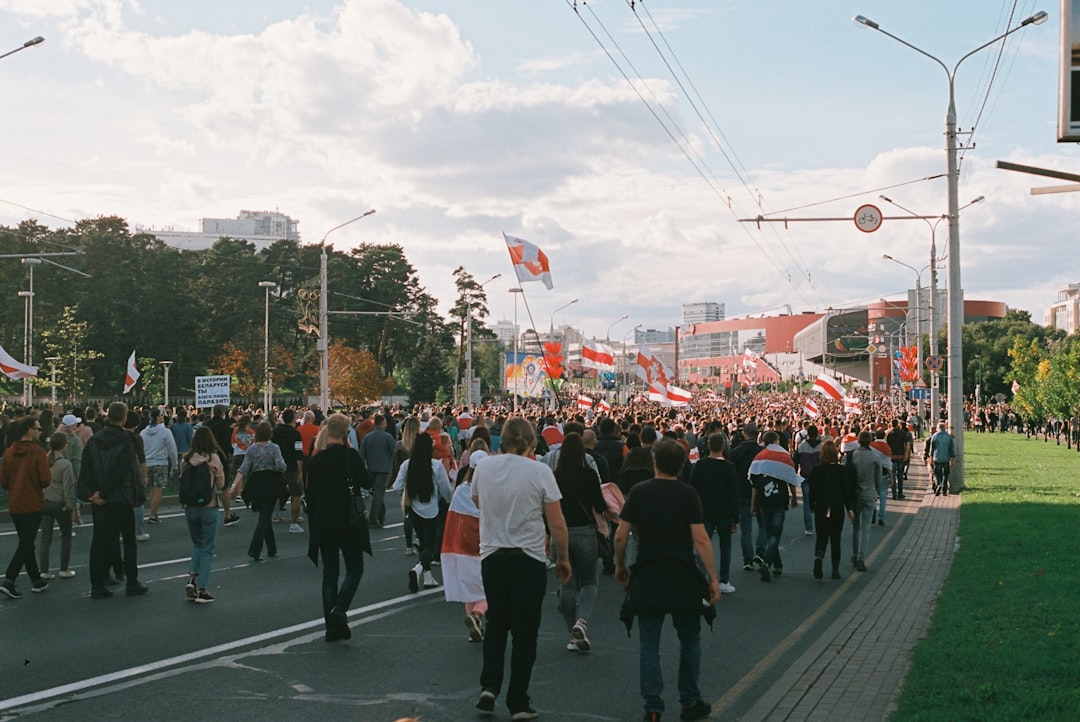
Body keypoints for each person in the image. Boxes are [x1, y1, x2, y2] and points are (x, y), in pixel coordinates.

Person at [472, 417, 571, 721]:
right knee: (525, 632)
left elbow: (477, 499)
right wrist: (563, 557)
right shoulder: (539, 471)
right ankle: (518, 699)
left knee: (497, 623)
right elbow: (556, 522)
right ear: (530, 442)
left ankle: (489, 685)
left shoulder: (484, 467)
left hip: (492, 555)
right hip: (527, 556)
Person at [614, 438, 720, 722]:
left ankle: (652, 706)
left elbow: (621, 534)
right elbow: (700, 539)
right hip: (682, 573)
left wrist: (620, 564)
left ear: (654, 463)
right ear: (682, 465)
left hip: (648, 572)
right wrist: (713, 577)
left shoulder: (638, 491)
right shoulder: (688, 494)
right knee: (689, 638)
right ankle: (689, 700)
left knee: (649, 643)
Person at [305, 413, 373, 642]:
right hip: (348, 520)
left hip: (323, 522)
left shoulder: (315, 461)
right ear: (345, 433)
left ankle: (330, 627)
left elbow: (310, 497)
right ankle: (340, 609)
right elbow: (366, 481)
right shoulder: (349, 456)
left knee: (329, 573)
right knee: (355, 567)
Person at [79, 402, 149, 599]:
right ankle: (132, 581)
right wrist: (107, 492)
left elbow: (87, 468)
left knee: (100, 540)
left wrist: (94, 493)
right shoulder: (125, 441)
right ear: (124, 418)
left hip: (99, 497)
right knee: (128, 540)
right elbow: (122, 471)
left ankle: (97, 584)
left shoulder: (94, 440)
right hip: (121, 496)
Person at [553, 432, 607, 653]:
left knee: (567, 583)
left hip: (561, 532)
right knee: (589, 581)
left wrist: (548, 535)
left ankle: (572, 635)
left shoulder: (555, 477)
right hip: (585, 531)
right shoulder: (589, 475)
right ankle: (581, 622)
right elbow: (599, 504)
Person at [392, 433, 453, 592]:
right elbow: (445, 489)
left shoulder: (407, 465)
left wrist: (407, 492)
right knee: (430, 547)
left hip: (413, 509)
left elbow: (397, 486)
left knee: (423, 542)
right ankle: (418, 569)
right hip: (431, 509)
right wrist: (448, 499)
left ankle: (427, 577)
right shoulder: (435, 466)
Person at [441, 443, 489, 643]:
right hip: (486, 544)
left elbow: (453, 518)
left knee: (470, 586)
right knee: (491, 588)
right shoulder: (490, 490)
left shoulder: (461, 489)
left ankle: (475, 627)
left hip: (463, 545)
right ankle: (477, 615)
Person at [0, 417, 52, 599]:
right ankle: (9, 579)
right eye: (38, 429)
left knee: (26, 542)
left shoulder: (8, 453)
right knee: (26, 543)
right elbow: (45, 479)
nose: (39, 432)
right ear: (30, 430)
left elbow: (4, 481)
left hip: (15, 503)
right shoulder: (38, 453)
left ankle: (36, 580)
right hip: (32, 502)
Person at [749, 431, 803, 581]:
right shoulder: (784, 456)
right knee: (775, 534)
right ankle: (767, 563)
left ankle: (777, 564)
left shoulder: (759, 457)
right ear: (776, 441)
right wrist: (793, 496)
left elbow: (754, 483)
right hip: (779, 500)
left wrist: (753, 504)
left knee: (769, 532)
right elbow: (790, 477)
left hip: (763, 501)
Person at [689, 432, 739, 594]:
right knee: (725, 546)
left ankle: (701, 578)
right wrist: (735, 517)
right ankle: (724, 580)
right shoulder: (729, 467)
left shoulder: (700, 465)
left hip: (704, 511)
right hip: (724, 511)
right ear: (723, 447)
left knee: (703, 545)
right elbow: (733, 494)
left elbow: (692, 489)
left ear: (708, 446)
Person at [181, 426, 226, 603]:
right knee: (208, 548)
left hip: (189, 507)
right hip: (209, 506)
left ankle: (192, 578)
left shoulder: (185, 459)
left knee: (197, 544)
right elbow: (221, 483)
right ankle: (203, 589)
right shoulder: (212, 458)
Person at [231, 421, 287, 562]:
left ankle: (272, 548)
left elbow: (243, 469)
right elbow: (281, 465)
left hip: (256, 483)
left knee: (264, 513)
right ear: (269, 433)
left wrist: (234, 485)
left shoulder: (251, 450)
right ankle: (255, 549)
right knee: (265, 515)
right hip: (271, 482)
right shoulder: (274, 448)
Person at [806, 439, 855, 580]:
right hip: (837, 507)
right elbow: (846, 491)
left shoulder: (816, 470)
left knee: (821, 535)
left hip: (821, 506)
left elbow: (812, 491)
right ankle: (835, 569)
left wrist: (811, 506)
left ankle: (819, 556)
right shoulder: (842, 470)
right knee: (835, 538)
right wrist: (849, 508)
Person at [39, 432, 78, 580]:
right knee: (66, 535)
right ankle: (64, 568)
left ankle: (44, 570)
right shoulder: (65, 464)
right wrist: (71, 506)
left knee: (45, 537)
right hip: (59, 503)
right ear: (64, 445)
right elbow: (68, 487)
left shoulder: (45, 460)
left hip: (46, 501)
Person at [727, 423, 763, 572]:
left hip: (741, 491)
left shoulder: (735, 452)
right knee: (763, 525)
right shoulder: (762, 452)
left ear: (744, 434)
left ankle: (747, 559)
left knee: (745, 528)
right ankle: (760, 551)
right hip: (759, 491)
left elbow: (729, 472)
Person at [847, 430, 883, 572]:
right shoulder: (875, 457)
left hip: (855, 495)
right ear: (871, 441)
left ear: (858, 441)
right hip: (869, 494)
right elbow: (878, 478)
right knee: (866, 527)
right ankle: (861, 557)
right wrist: (877, 492)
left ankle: (854, 554)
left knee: (855, 527)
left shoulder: (852, 457)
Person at [359, 413, 397, 529]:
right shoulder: (388, 437)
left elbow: (362, 455)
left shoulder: (368, 437)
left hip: (371, 468)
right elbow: (394, 452)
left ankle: (381, 516)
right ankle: (373, 519)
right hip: (384, 468)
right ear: (383, 423)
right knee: (378, 494)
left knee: (377, 493)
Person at [141, 407, 178, 525]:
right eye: (161, 415)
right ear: (158, 417)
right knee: (158, 489)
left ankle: (154, 512)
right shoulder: (165, 432)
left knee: (152, 489)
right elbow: (172, 449)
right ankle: (152, 514)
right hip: (160, 462)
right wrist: (175, 463)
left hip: (147, 462)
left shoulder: (143, 433)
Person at [271, 408, 305, 533]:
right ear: (293, 419)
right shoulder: (296, 434)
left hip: (277, 466)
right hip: (291, 467)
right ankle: (294, 522)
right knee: (296, 494)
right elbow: (298, 453)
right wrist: (300, 471)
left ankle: (276, 514)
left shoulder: (275, 432)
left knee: (277, 491)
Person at [205, 404, 237, 526]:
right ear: (223, 413)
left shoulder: (207, 425)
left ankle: (207, 511)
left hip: (206, 456)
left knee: (209, 484)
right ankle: (227, 515)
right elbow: (227, 443)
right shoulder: (225, 426)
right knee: (224, 486)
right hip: (221, 457)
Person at [393, 416, 421, 556]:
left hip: (405, 481)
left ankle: (408, 546)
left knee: (408, 514)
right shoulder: (421, 443)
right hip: (421, 480)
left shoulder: (399, 445)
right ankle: (419, 538)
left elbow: (396, 465)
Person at [927, 422, 956, 496]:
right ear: (944, 428)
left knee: (937, 474)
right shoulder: (948, 437)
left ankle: (938, 484)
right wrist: (952, 459)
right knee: (946, 475)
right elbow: (952, 449)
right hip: (946, 458)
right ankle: (944, 490)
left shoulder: (934, 436)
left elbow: (931, 449)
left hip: (937, 458)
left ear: (938, 428)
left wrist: (931, 458)